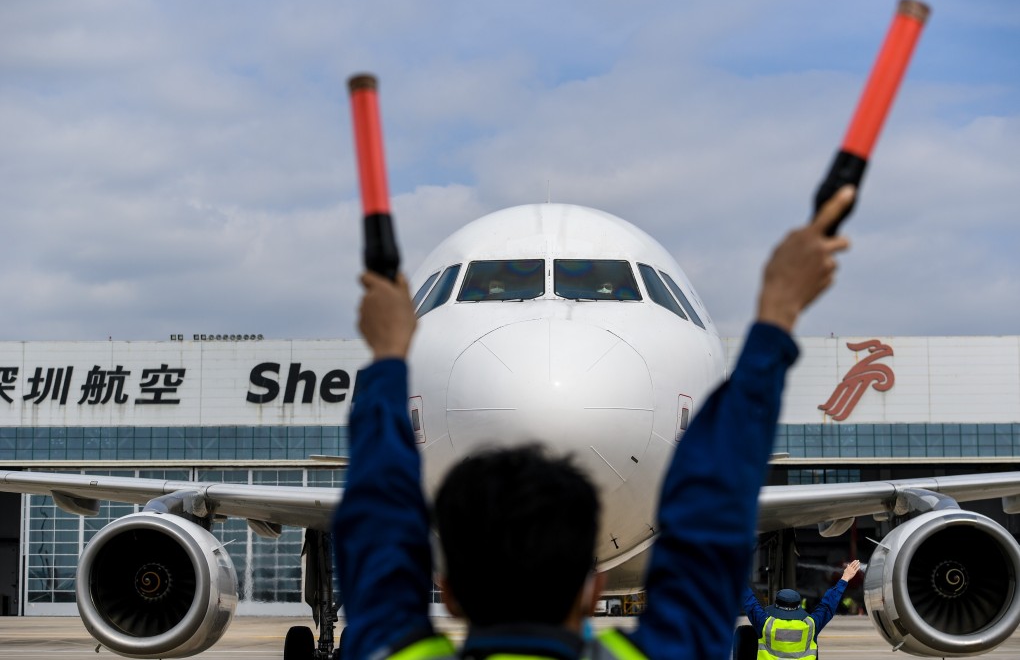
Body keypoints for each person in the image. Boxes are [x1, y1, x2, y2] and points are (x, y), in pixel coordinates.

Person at [332, 186, 855, 660]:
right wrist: (776, 315)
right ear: (592, 588)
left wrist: (385, 361)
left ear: (448, 593)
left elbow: (377, 522)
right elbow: (709, 512)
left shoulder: (390, 648)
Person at [742, 560, 862, 659]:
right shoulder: (810, 626)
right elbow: (827, 605)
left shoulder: (766, 624)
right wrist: (845, 578)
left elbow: (749, 601)